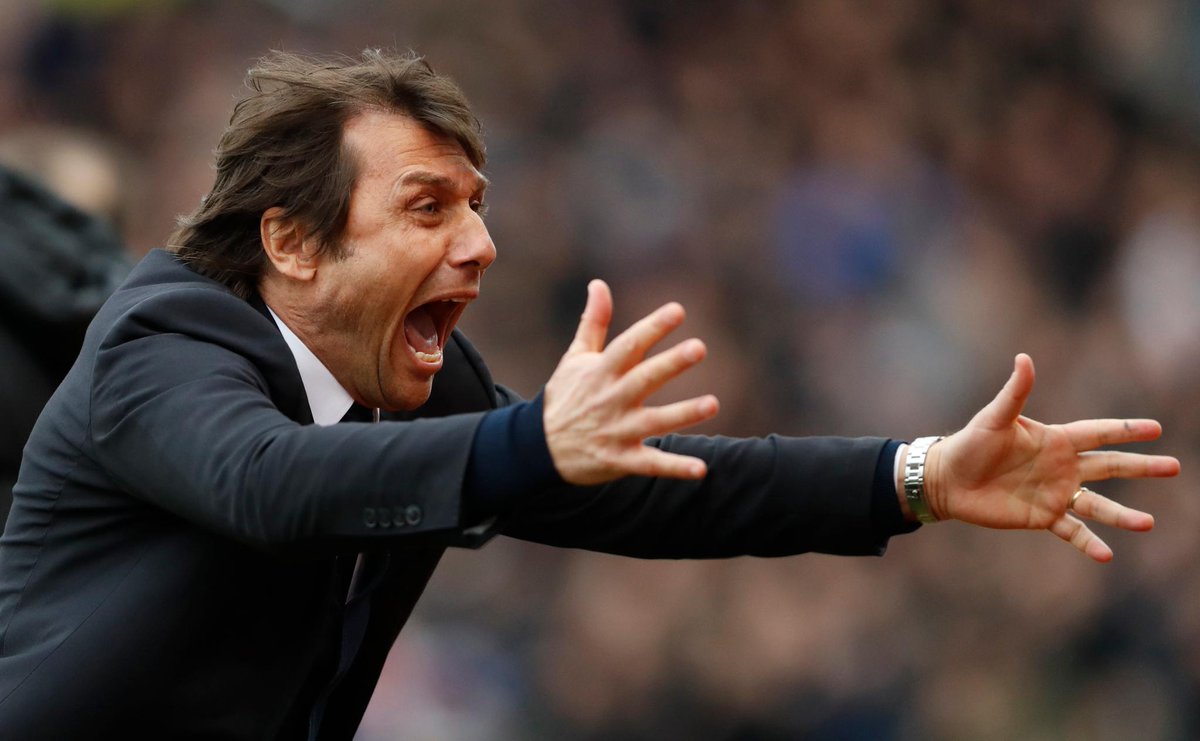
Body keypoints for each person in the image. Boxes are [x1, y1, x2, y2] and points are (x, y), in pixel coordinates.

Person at [0, 49, 1178, 739]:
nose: (479, 246)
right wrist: (527, 444)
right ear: (293, 242)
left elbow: (656, 491)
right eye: (427, 208)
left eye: (477, 208)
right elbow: (270, 483)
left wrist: (915, 475)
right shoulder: (161, 342)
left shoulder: (409, 383)